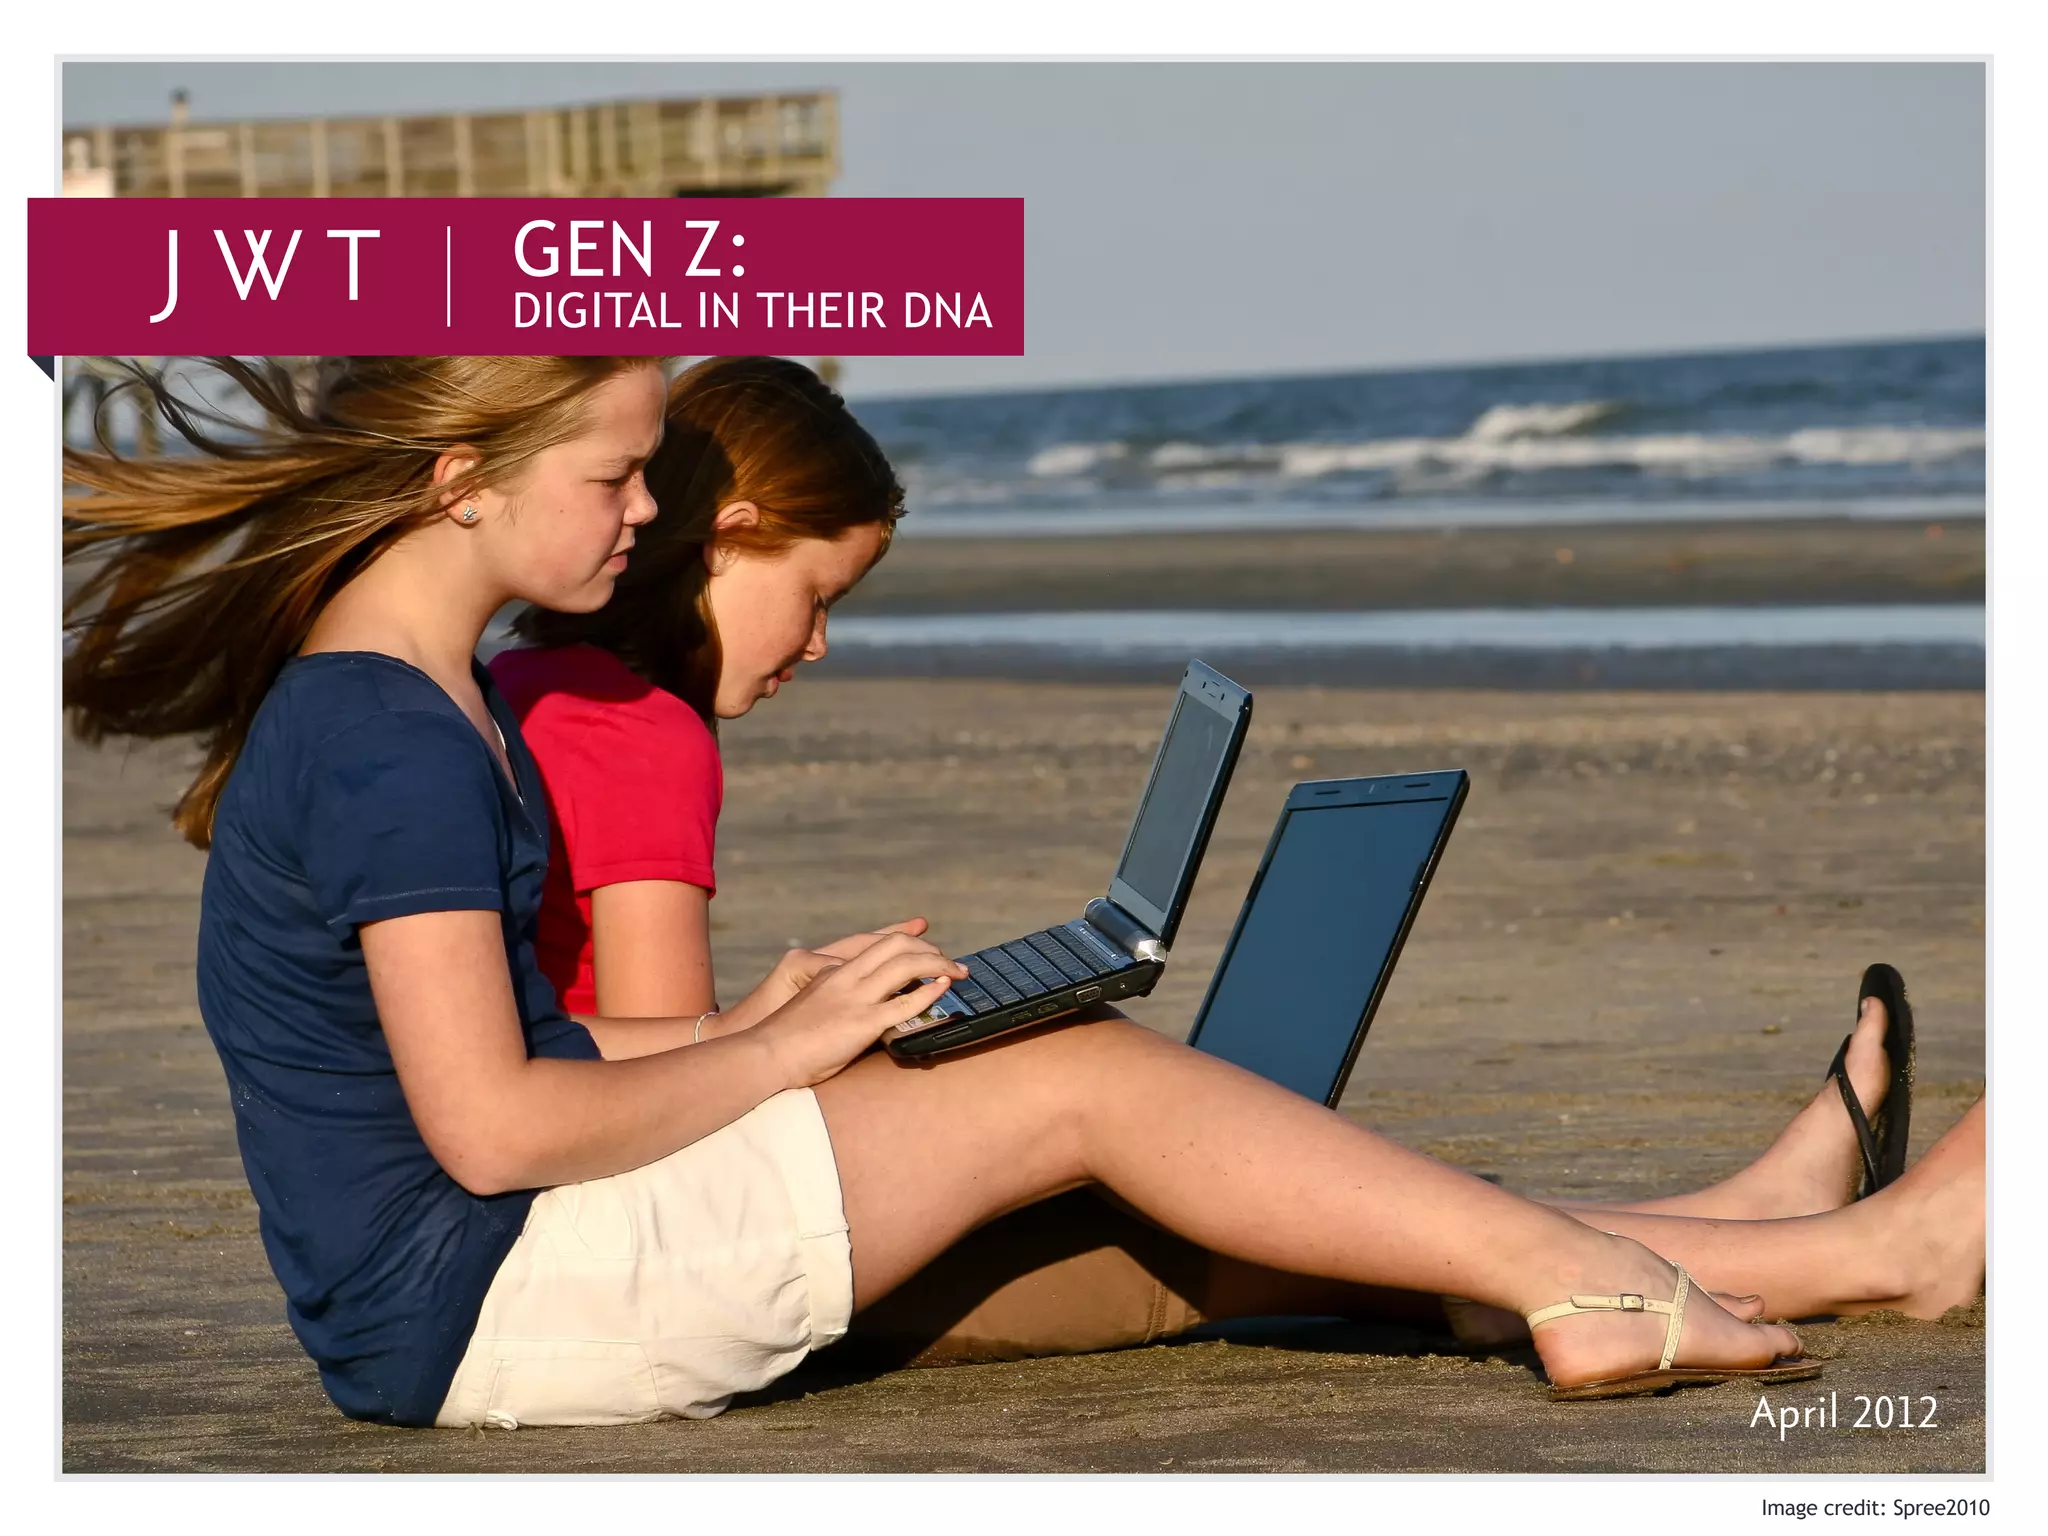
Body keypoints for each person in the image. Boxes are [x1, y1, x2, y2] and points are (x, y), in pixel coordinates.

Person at [63, 354, 1983, 1431]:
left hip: (461, 1298)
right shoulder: (397, 737)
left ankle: (1823, 1254)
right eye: (621, 477)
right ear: (464, 478)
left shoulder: (407, 696)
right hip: (490, 1294)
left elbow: (506, 1058)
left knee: (1170, 1238)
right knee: (1082, 1081)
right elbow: (488, 1130)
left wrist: (754, 1024)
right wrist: (777, 1057)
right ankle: (1594, 1288)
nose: (649, 513)